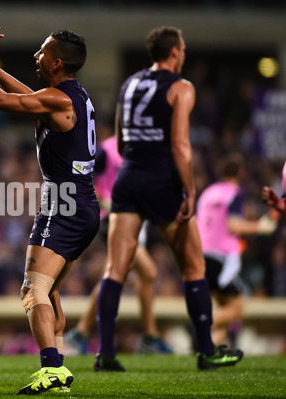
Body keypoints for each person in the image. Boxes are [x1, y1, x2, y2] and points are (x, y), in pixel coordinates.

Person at [95, 26, 243, 372]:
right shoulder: (182, 87)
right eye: (184, 49)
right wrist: (189, 190)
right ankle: (207, 351)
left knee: (114, 269)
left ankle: (106, 354)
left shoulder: (129, 84)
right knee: (193, 266)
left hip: (128, 177)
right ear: (174, 52)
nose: (185, 54)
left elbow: (119, 141)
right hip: (162, 179)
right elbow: (180, 144)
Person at [0, 30, 99, 394]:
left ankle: (51, 369)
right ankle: (57, 370)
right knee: (50, 290)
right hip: (81, 203)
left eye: (43, 52)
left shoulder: (58, 99)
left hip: (64, 204)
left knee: (32, 289)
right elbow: (29, 97)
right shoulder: (71, 95)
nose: (36, 56)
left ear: (57, 62)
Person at [65, 135, 172, 355]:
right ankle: (149, 337)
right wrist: (105, 201)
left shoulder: (143, 150)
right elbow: (82, 177)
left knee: (116, 274)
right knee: (148, 273)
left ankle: (81, 332)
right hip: (112, 220)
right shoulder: (108, 149)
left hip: (130, 220)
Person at [197, 154, 276, 345]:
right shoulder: (234, 193)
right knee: (238, 307)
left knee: (226, 306)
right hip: (221, 259)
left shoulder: (208, 193)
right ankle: (204, 327)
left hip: (201, 255)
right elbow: (233, 225)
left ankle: (210, 353)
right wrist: (259, 226)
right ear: (241, 173)